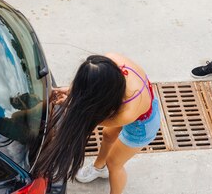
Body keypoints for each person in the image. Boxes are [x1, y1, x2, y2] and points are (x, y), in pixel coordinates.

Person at [33, 53, 160, 194]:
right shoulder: (107, 62)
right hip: (126, 102)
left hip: (142, 125)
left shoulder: (127, 112)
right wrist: (72, 92)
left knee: (114, 164)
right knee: (108, 135)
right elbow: (90, 86)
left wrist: (72, 104)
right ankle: (99, 168)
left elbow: (95, 118)